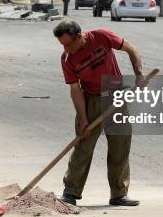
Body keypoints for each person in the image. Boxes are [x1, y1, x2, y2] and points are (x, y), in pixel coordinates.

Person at [53, 20, 143, 207]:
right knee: (83, 146)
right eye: (62, 45)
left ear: (79, 37)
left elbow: (131, 49)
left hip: (115, 95)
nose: (66, 49)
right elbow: (75, 90)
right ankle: (70, 192)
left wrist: (139, 74)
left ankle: (119, 194)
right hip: (91, 100)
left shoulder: (101, 36)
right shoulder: (67, 59)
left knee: (120, 144)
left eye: (68, 44)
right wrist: (84, 118)